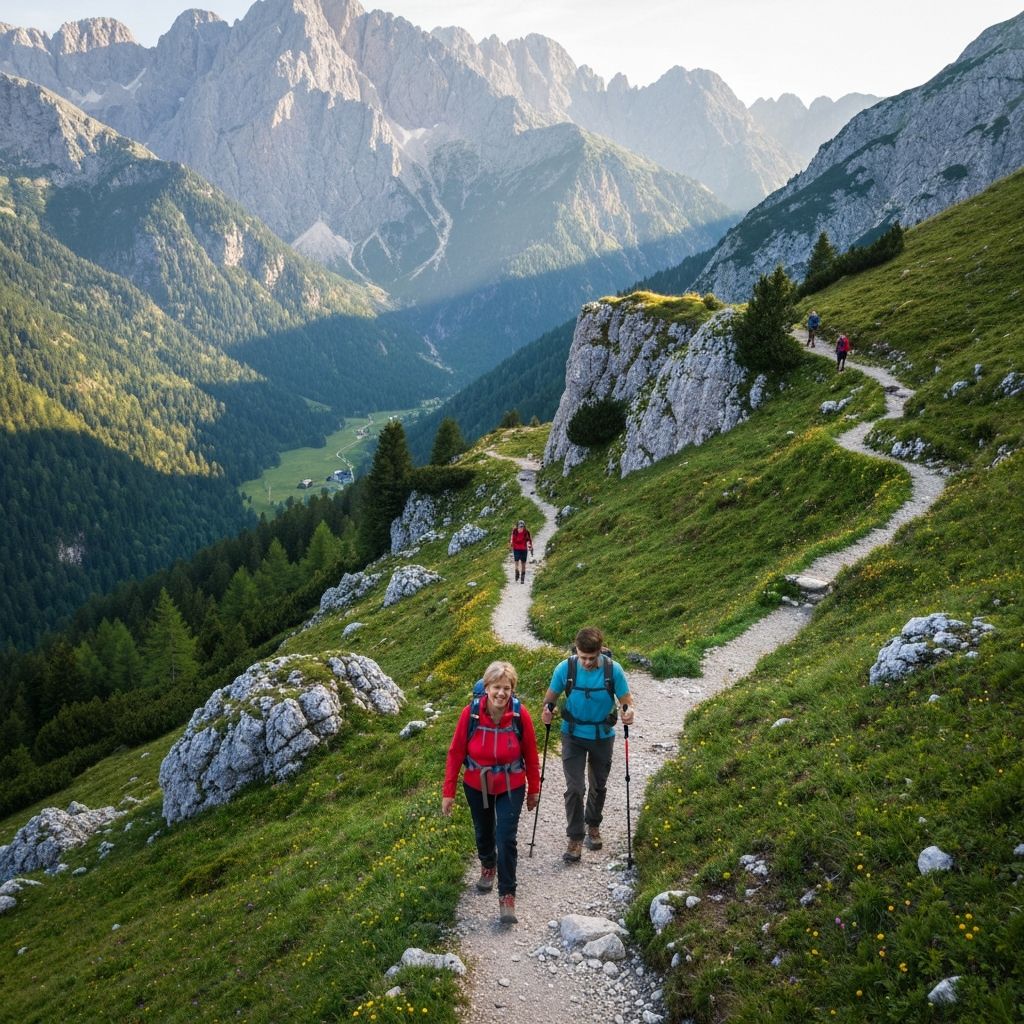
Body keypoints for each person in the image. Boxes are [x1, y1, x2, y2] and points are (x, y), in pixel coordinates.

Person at [443, 660, 541, 924]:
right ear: (486, 688)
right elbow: (455, 753)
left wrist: (534, 790)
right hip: (478, 784)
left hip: (511, 785)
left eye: (506, 688)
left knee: (505, 838)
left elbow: (531, 755)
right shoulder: (470, 715)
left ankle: (507, 895)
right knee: (483, 832)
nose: (501, 693)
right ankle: (488, 865)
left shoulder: (521, 716)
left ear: (512, 690)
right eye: (497, 687)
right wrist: (448, 791)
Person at [540, 627, 634, 862]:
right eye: (583, 657)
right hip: (573, 736)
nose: (587, 662)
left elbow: (626, 701)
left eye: (592, 658)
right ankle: (575, 838)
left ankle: (593, 824)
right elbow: (550, 699)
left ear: (601, 651)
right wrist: (547, 711)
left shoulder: (614, 670)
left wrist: (628, 711)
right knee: (575, 789)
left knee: (598, 785)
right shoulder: (566, 668)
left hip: (602, 735)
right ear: (577, 651)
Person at [509, 519, 534, 584]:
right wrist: (511, 543)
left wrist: (529, 546)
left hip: (523, 549)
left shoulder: (526, 532)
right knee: (516, 562)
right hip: (516, 548)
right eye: (520, 526)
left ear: (524, 526)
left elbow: (528, 540)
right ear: (517, 526)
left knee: (523, 564)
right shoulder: (514, 531)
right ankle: (517, 572)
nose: (521, 528)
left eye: (522, 526)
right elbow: (512, 538)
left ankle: (522, 578)